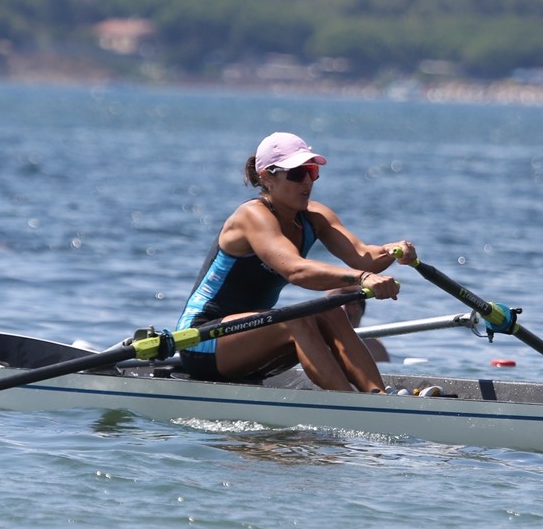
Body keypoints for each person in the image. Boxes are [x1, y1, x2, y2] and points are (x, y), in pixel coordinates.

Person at [175, 132, 416, 393]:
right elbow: (296, 270)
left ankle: (378, 396)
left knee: (330, 311)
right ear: (267, 177)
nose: (308, 181)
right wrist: (361, 279)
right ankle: (350, 405)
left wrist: (393, 251)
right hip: (203, 340)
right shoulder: (252, 216)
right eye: (296, 173)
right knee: (296, 320)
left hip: (252, 337)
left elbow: (363, 256)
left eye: (311, 171)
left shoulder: (315, 216)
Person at [334, 288, 390, 363]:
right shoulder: (318, 338)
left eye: (350, 303)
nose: (344, 309)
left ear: (361, 310)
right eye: (338, 303)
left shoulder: (374, 347)